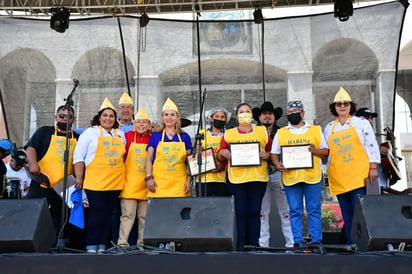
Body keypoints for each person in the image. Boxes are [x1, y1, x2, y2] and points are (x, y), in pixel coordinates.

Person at [324, 87, 380, 244]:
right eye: (339, 104)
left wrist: (373, 167)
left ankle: (361, 245)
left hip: (358, 176)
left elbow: (371, 146)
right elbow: (328, 153)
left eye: (346, 103)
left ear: (351, 105)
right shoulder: (329, 127)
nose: (342, 106)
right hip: (339, 178)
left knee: (359, 214)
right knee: (346, 215)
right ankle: (350, 245)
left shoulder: (361, 123)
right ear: (334, 107)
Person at [271, 100, 329, 248]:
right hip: (291, 177)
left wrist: (316, 151)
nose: (292, 114)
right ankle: (297, 241)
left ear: (302, 113)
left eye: (295, 111)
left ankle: (316, 240)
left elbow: (326, 151)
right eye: (289, 112)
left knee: (314, 209)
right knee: (294, 210)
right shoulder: (281, 132)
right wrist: (277, 164)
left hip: (312, 176)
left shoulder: (315, 129)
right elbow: (274, 154)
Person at [73, 97, 126, 253]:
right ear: (99, 117)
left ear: (115, 119)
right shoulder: (90, 133)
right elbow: (78, 157)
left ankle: (102, 244)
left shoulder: (120, 135)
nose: (108, 118)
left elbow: (122, 158)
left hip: (115, 181)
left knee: (109, 214)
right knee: (97, 212)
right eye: (105, 115)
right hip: (95, 181)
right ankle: (91, 243)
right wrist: (79, 178)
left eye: (111, 116)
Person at [217, 103, 271, 251]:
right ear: (236, 116)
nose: (244, 114)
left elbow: (272, 151)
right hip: (236, 178)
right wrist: (224, 153)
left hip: (257, 177)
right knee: (240, 211)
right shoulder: (229, 133)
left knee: (255, 211)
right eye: (241, 112)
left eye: (248, 111)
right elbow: (220, 153)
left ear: (252, 115)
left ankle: (253, 244)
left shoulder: (262, 131)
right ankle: (241, 244)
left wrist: (268, 155)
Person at [25, 105, 78, 235]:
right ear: (56, 117)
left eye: (69, 117)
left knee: (60, 219)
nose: (65, 118)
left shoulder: (77, 137)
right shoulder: (44, 131)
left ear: (73, 119)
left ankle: (57, 246)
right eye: (62, 116)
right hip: (42, 181)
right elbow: (31, 148)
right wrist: (33, 164)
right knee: (33, 214)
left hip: (64, 186)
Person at [255, 101, 293, 248]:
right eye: (264, 114)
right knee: (262, 212)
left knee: (286, 211)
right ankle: (263, 245)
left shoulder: (283, 132)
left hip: (279, 173)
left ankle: (291, 245)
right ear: (259, 117)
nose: (267, 117)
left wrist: (270, 155)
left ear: (274, 117)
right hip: (259, 174)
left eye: (270, 114)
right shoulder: (253, 132)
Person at [355, 107, 412, 195]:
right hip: (360, 182)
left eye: (371, 118)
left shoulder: (370, 136)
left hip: (375, 185)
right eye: (367, 118)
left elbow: (380, 184)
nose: (370, 121)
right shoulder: (353, 132)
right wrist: (377, 150)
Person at [117, 107, 151, 248]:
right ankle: (122, 243)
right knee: (127, 216)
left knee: (144, 217)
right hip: (129, 183)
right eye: (138, 122)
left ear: (149, 125)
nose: (141, 125)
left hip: (146, 184)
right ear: (134, 124)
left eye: (144, 122)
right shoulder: (128, 136)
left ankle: (142, 243)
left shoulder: (153, 138)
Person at [146, 98, 192, 198]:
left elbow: (189, 161)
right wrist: (149, 177)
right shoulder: (156, 136)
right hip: (159, 183)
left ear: (177, 117)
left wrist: (189, 180)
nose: (169, 118)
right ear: (162, 117)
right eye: (166, 115)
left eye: (172, 115)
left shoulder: (185, 137)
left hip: (180, 183)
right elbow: (149, 158)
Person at [195, 107, 230, 197]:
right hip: (203, 178)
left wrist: (222, 166)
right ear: (211, 118)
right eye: (217, 116)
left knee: (222, 207)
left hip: (223, 179)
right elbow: (196, 153)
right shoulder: (202, 133)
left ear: (226, 119)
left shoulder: (229, 134)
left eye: (222, 117)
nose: (219, 119)